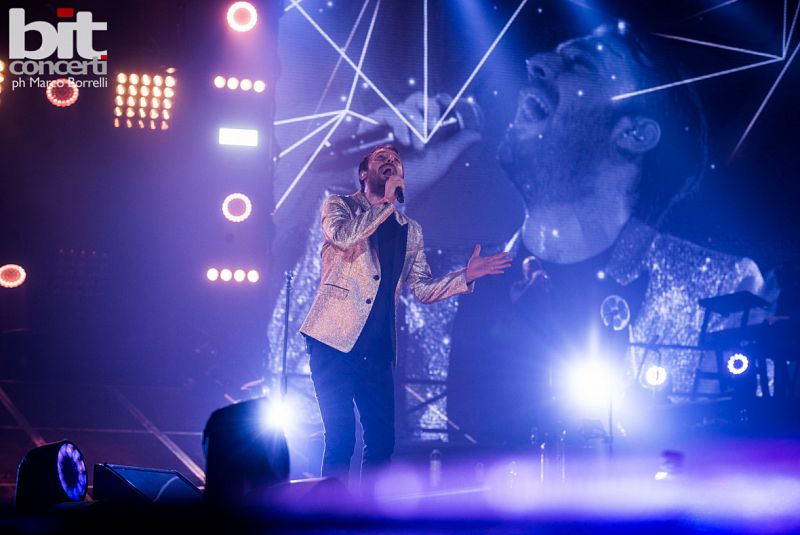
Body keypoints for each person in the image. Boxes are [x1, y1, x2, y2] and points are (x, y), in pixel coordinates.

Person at [299, 144, 511, 484]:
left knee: (382, 442)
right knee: (340, 438)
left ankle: (369, 512)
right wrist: (385, 203)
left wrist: (465, 276)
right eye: (382, 158)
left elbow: (422, 288)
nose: (391, 162)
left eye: (396, 161)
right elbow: (344, 237)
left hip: (377, 348)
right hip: (332, 340)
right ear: (363, 173)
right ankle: (330, 511)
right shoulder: (339, 206)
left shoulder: (409, 229)